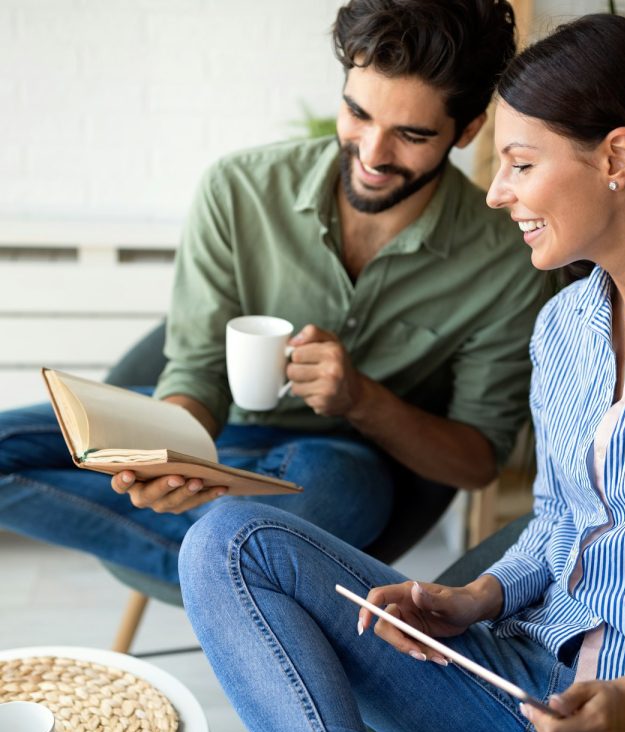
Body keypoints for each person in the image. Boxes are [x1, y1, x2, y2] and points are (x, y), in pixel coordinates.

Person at [177, 12, 625, 732]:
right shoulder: (563, 328)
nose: (494, 192)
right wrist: (473, 597)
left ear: (617, 157)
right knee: (228, 544)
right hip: (513, 683)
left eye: (519, 163)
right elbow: (556, 524)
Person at [0, 0, 539, 585]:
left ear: (466, 131)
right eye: (358, 114)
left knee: (317, 506)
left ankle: (240, 548)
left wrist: (361, 399)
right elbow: (199, 369)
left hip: (338, 462)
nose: (372, 154)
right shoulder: (239, 191)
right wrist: (174, 451)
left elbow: (477, 461)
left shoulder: (505, 262)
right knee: (258, 538)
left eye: (411, 135)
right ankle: (250, 561)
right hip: (216, 430)